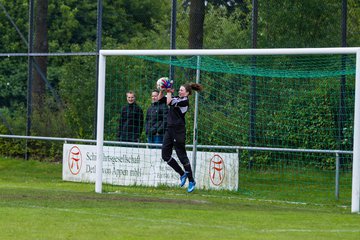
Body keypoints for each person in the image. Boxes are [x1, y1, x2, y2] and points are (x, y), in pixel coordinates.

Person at [160, 82, 203, 193]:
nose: (179, 91)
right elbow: (160, 99)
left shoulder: (184, 101)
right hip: (169, 130)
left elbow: (169, 101)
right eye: (179, 89)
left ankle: (192, 181)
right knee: (165, 155)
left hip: (178, 131)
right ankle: (182, 173)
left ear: (187, 93)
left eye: (182, 90)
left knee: (182, 156)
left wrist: (168, 91)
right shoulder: (176, 98)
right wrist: (162, 90)